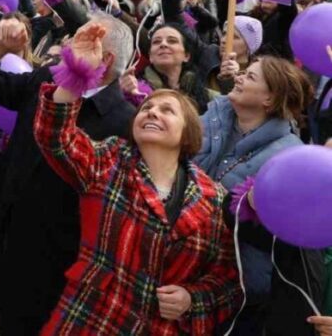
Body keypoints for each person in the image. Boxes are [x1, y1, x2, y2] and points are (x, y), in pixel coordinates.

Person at [34, 22, 242, 333]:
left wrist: (191, 300)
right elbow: (55, 138)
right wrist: (77, 72)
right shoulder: (109, 159)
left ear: (188, 133)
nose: (153, 112)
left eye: (167, 111)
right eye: (147, 107)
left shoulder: (213, 198)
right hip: (93, 320)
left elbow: (228, 279)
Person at [0, 14, 137, 334]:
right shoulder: (47, 79)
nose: (67, 43)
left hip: (59, 264)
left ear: (106, 59)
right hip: (7, 240)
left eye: (80, 39)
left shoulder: (125, 123)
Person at [195, 57, 325, 334]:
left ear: (270, 99)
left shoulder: (289, 156)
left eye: (251, 77)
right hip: (185, 260)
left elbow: (285, 239)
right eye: (243, 72)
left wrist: (246, 207)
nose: (239, 77)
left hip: (236, 287)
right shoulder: (211, 117)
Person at [120, 23, 217, 113]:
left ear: (186, 56)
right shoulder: (134, 90)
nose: (163, 44)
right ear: (150, 56)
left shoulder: (209, 98)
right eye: (156, 42)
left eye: (172, 41)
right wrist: (121, 93)